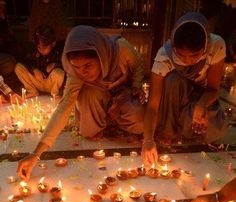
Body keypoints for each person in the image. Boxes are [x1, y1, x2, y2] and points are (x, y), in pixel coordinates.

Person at [17, 25, 145, 181]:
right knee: (88, 130)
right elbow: (64, 107)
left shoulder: (121, 50)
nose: (82, 72)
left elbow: (138, 65)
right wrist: (35, 154)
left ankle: (112, 120)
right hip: (96, 97)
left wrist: (137, 86)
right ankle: (103, 118)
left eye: (88, 66)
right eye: (76, 66)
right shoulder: (76, 73)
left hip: (122, 96)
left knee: (140, 124)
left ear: (101, 56)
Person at [142, 12, 228, 166]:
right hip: (174, 97)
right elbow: (153, 105)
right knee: (172, 79)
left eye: (195, 55)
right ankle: (169, 130)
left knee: (211, 127)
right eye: (180, 54)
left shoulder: (216, 46)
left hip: (200, 95)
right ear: (173, 47)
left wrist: (201, 105)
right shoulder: (164, 55)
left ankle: (187, 129)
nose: (187, 61)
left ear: (205, 46)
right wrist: (148, 140)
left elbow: (214, 89)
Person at [15, 25, 65, 98]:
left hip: (50, 84)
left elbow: (68, 67)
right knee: (18, 67)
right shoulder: (34, 51)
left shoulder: (59, 51)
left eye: (44, 47)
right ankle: (32, 91)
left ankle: (54, 94)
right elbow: (25, 61)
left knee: (59, 73)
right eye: (38, 47)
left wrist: (56, 65)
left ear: (53, 43)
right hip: (37, 82)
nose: (41, 50)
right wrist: (34, 69)